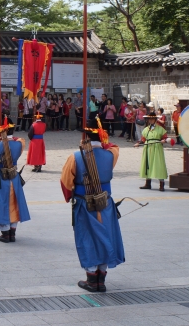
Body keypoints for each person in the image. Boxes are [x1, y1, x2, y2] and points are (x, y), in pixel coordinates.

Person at [60, 118, 124, 293]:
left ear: (85, 137)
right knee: (105, 236)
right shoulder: (111, 154)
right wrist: (103, 140)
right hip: (105, 202)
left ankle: (91, 280)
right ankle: (100, 280)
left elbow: (66, 182)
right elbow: (113, 146)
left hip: (84, 202)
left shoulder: (76, 156)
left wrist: (69, 196)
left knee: (87, 238)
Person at [0, 117, 30, 243]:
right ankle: (12, 233)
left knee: (2, 203)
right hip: (14, 177)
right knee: (14, 204)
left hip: (1, 178)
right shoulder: (19, 144)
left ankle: (5, 233)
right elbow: (19, 140)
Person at [136, 112, 173, 191]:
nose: (151, 120)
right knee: (147, 164)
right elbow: (143, 139)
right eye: (149, 119)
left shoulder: (160, 129)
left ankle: (161, 184)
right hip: (148, 148)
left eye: (152, 119)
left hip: (157, 148)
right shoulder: (146, 129)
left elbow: (165, 138)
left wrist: (164, 140)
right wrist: (139, 143)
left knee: (159, 164)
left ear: (155, 119)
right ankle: (148, 184)